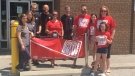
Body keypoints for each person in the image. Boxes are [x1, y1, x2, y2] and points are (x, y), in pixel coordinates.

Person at [95, 6, 116, 73]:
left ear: (107, 11)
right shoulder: (97, 19)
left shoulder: (110, 18)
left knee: (107, 54)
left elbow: (113, 29)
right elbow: (95, 29)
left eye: (105, 11)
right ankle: (102, 68)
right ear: (100, 12)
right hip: (99, 40)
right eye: (102, 11)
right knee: (100, 55)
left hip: (107, 40)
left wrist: (111, 38)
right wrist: (95, 38)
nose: (103, 12)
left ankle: (108, 68)